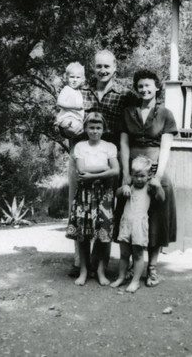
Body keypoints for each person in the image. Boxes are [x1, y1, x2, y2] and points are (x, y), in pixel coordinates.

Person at [68, 49, 135, 277]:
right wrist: (65, 127)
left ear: (115, 67)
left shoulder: (125, 95)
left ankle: (101, 264)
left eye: (107, 66)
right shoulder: (80, 92)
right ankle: (81, 263)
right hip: (82, 157)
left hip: (109, 159)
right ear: (93, 68)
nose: (103, 70)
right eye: (99, 66)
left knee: (106, 213)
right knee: (80, 210)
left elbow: (138, 116)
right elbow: (65, 117)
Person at [120, 69, 178, 287]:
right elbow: (124, 144)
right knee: (127, 217)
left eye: (148, 85)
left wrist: (158, 176)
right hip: (133, 172)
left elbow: (165, 147)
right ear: (137, 89)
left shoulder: (165, 114)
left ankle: (152, 268)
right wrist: (125, 173)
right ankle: (127, 267)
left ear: (156, 87)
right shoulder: (128, 112)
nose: (144, 89)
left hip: (154, 171)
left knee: (156, 220)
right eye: (140, 86)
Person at [66, 112, 119, 286]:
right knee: (83, 234)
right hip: (84, 195)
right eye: (91, 128)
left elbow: (115, 170)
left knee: (103, 233)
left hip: (104, 195)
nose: (95, 131)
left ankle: (100, 271)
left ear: (103, 129)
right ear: (86, 128)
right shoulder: (80, 147)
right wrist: (103, 169)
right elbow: (81, 170)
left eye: (98, 128)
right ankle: (83, 270)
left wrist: (93, 173)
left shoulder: (109, 147)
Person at [111, 155, 165, 293]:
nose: (139, 179)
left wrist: (158, 186)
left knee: (138, 254)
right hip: (126, 223)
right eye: (136, 176)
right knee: (124, 254)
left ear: (148, 176)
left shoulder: (149, 188)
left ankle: (135, 281)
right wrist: (123, 188)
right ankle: (121, 277)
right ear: (132, 175)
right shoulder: (130, 186)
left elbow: (161, 198)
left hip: (139, 225)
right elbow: (116, 194)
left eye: (142, 176)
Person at [55, 62, 85, 138]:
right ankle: (60, 125)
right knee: (72, 126)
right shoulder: (67, 89)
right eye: (72, 77)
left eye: (78, 77)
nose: (75, 80)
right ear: (67, 78)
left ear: (82, 79)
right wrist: (75, 107)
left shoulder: (79, 92)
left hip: (77, 120)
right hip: (67, 118)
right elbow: (59, 103)